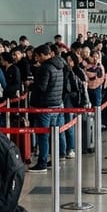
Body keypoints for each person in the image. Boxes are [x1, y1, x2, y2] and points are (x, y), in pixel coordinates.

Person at [29, 45, 66, 173]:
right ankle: (54, 160)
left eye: (37, 56)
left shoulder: (45, 68)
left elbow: (41, 88)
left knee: (43, 136)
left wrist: (31, 85)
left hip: (44, 106)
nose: (36, 58)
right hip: (56, 104)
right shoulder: (59, 65)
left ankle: (42, 163)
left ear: (42, 55)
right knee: (53, 135)